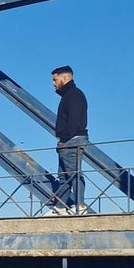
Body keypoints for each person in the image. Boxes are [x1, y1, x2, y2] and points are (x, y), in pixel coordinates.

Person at [47, 65, 89, 215]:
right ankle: (60, 207)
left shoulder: (74, 95)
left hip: (73, 139)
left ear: (64, 78)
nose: (53, 83)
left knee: (74, 172)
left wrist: (64, 138)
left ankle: (80, 206)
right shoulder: (70, 95)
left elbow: (74, 121)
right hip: (70, 139)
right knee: (64, 174)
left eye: (55, 79)